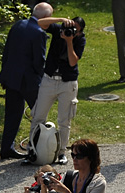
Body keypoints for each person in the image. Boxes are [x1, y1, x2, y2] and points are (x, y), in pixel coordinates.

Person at [25, 16, 86, 165]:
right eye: (69, 28)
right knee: (38, 117)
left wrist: (69, 41)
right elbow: (39, 23)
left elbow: (73, 62)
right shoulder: (59, 29)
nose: (70, 31)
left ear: (79, 33)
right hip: (49, 80)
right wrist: (61, 20)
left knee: (64, 121)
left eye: (74, 30)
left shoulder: (80, 40)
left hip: (68, 83)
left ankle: (61, 153)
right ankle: (31, 152)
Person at [0, 3, 53, 159]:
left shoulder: (18, 25)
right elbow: (38, 61)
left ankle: (6, 148)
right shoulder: (39, 33)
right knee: (39, 114)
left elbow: (6, 52)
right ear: (45, 18)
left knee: (12, 115)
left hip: (12, 78)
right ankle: (36, 149)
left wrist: (5, 74)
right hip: (29, 81)